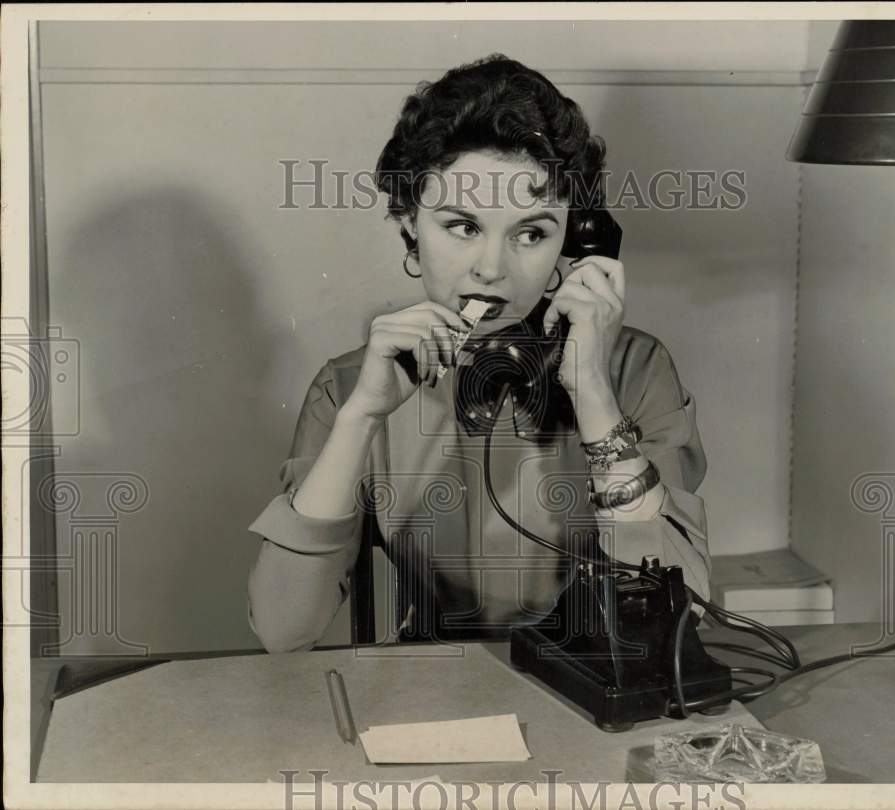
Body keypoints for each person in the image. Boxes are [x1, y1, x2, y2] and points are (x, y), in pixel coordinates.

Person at [247, 54, 711, 653]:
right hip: (429, 696)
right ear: (409, 225)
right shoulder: (349, 385)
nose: (492, 269)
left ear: (574, 241)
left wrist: (593, 394)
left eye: (531, 233)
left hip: (597, 685)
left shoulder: (634, 369)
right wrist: (361, 417)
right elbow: (284, 633)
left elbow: (683, 617)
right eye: (463, 226)